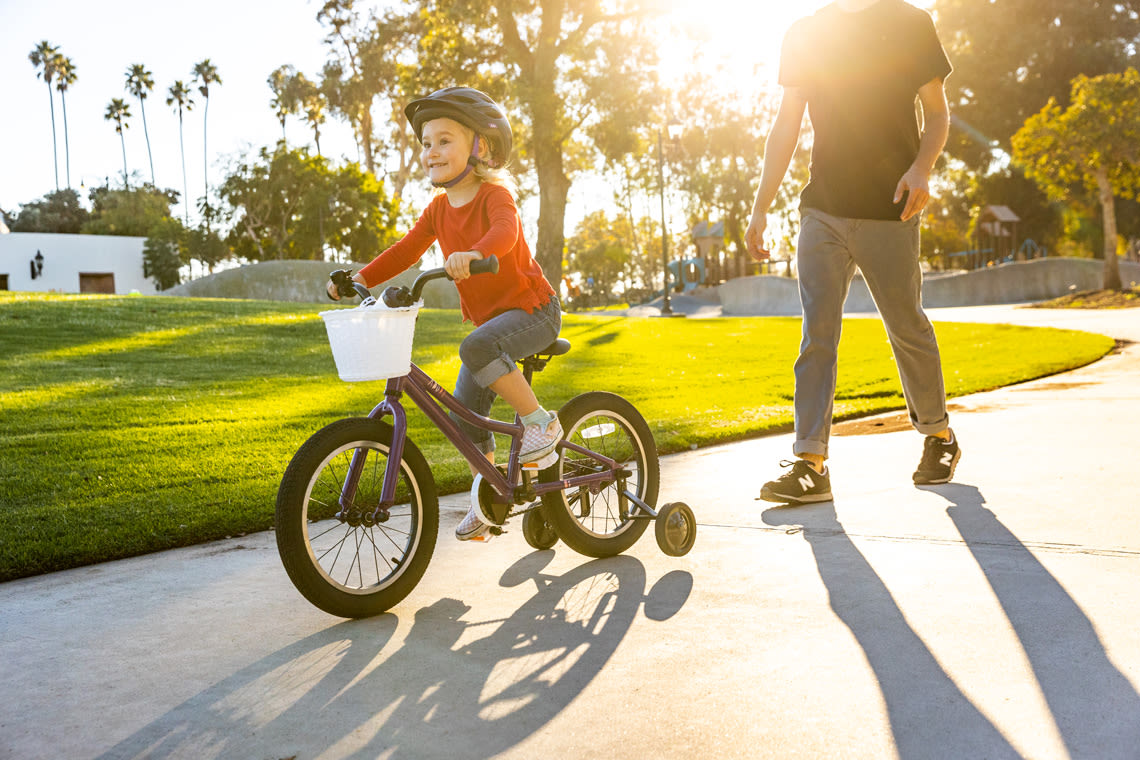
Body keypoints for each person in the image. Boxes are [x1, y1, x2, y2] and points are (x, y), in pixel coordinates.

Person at [745, 0, 961, 504]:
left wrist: (922, 169)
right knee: (817, 334)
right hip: (823, 209)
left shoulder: (911, 23)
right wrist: (760, 207)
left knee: (906, 325)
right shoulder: (804, 33)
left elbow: (937, 114)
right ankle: (810, 463)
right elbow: (787, 126)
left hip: (893, 208)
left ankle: (938, 436)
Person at [327, 87, 563, 540]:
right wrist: (358, 278)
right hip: (493, 326)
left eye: (444, 140)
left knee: (475, 347)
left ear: (482, 147)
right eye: (425, 143)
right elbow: (405, 251)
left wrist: (475, 253)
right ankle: (491, 490)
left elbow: (506, 233)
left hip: (534, 311)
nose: (430, 151)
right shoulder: (438, 210)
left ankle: (541, 425)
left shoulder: (495, 195)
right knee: (464, 413)